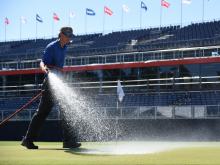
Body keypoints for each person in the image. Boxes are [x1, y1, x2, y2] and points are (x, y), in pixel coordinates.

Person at [21, 27, 81, 149]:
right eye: (68, 35)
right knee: (42, 113)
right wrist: (45, 70)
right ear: (61, 35)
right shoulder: (52, 46)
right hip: (50, 83)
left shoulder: (65, 47)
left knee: (66, 110)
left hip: (59, 82)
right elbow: (42, 62)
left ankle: (68, 141)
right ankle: (28, 140)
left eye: (70, 35)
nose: (70, 38)